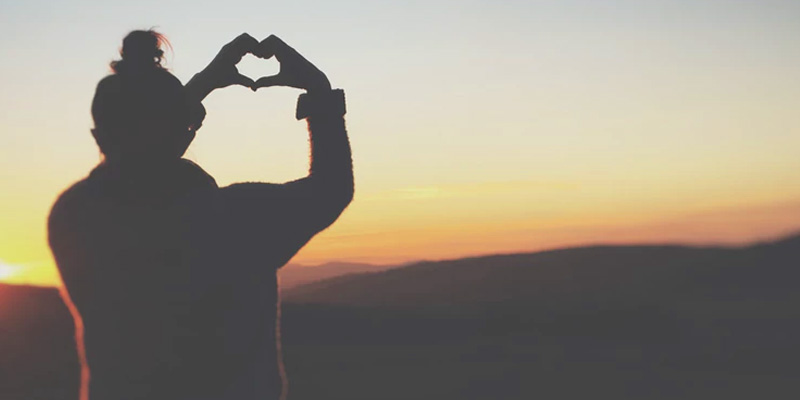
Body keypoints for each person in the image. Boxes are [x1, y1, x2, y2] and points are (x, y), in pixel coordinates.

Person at [47, 30, 353, 400]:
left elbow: (144, 153)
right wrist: (318, 90)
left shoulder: (73, 215)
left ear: (99, 137)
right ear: (182, 128)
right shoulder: (231, 221)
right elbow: (332, 188)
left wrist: (194, 90)